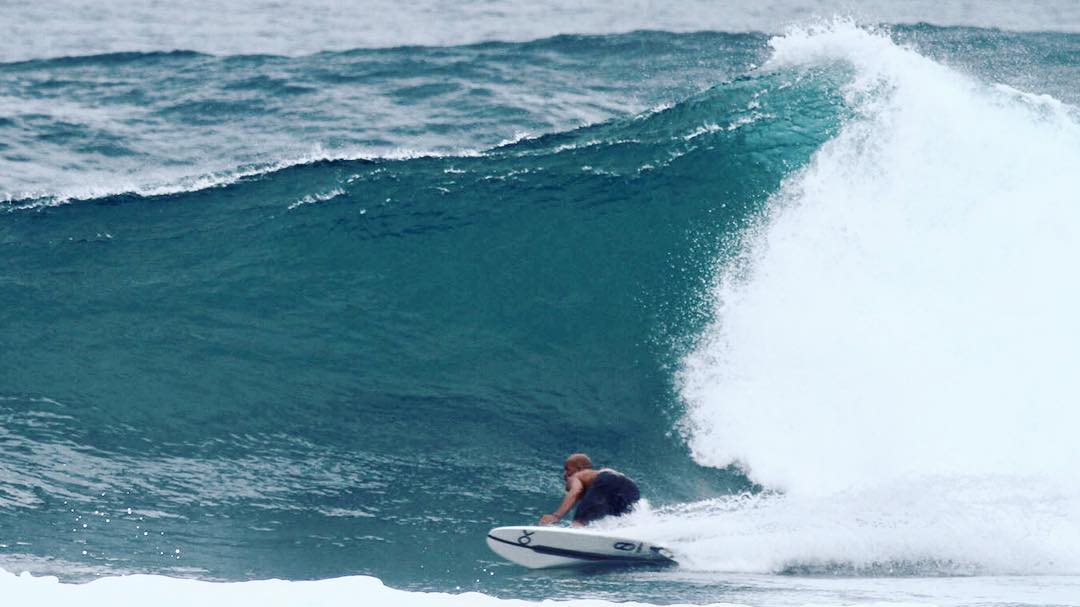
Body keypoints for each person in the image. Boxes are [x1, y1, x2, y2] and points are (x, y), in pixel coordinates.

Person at [538, 453, 640, 527]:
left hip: (607, 480)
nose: (565, 474)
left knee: (578, 522)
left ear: (579, 468)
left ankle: (576, 539)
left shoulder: (578, 475)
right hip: (631, 489)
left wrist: (556, 516)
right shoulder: (595, 479)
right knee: (622, 520)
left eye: (567, 469)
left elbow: (576, 491)